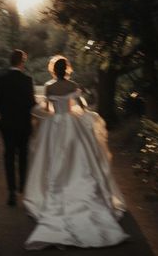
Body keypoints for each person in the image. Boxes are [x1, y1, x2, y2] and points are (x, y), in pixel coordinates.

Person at [23, 55, 129, 250]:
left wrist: (44, 112)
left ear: (54, 70)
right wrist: (86, 117)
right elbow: (80, 107)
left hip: (55, 126)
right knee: (81, 160)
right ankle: (83, 194)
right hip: (73, 125)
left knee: (53, 161)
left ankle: (56, 194)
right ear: (67, 69)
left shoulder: (49, 87)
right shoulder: (73, 85)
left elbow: (47, 108)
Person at [0, 49, 35, 206]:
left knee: (9, 157)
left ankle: (11, 192)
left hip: (7, 124)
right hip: (24, 124)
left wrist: (6, 113)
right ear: (21, 62)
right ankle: (22, 188)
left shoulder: (1, 79)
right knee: (23, 156)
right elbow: (31, 103)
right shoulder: (27, 80)